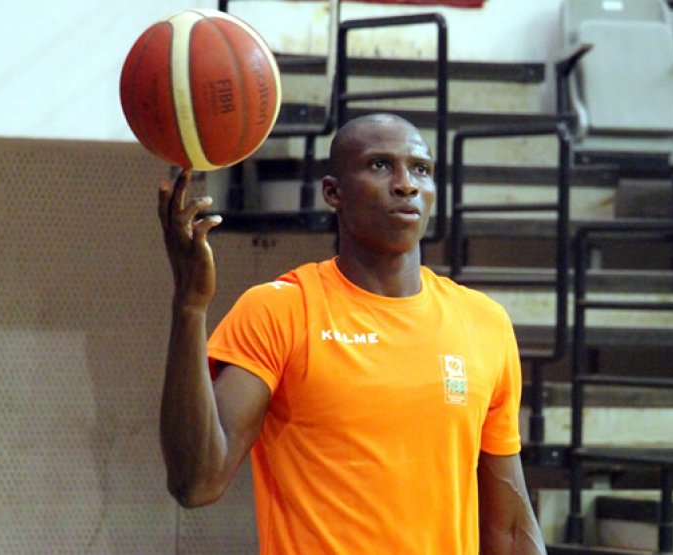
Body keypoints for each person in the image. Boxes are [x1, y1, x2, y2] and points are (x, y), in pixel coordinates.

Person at [158, 113, 547, 554]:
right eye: (380, 165)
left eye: (421, 168)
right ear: (333, 193)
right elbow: (197, 482)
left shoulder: (484, 323)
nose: (406, 184)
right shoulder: (281, 309)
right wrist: (189, 307)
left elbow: (510, 529)